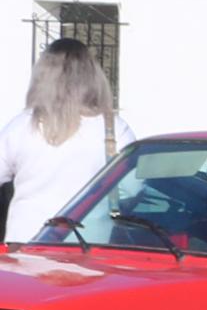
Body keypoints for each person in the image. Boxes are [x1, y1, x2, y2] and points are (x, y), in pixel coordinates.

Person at [0, 38, 127, 246]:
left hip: (27, 237)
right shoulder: (113, 127)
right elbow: (133, 187)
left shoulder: (21, 126)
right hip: (90, 242)